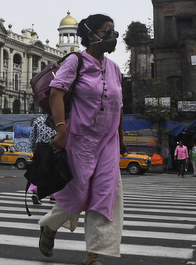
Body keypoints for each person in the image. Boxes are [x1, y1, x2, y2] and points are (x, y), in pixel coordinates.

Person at [38, 14, 125, 265]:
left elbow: (118, 105)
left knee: (105, 195)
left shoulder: (115, 69)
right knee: (76, 195)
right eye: (107, 31)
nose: (112, 36)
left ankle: (92, 255)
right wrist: (61, 130)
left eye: (113, 31)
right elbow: (56, 93)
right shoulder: (76, 61)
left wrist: (120, 135)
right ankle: (49, 227)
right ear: (91, 35)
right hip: (80, 140)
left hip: (108, 142)